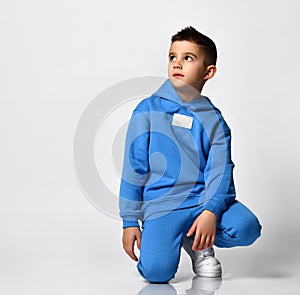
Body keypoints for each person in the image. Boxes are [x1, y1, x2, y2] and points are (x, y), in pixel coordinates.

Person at [119, 26, 262, 283]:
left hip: (201, 200)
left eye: (188, 58)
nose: (177, 63)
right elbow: (134, 167)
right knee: (156, 273)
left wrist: (210, 211)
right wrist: (130, 221)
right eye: (173, 56)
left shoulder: (215, 120)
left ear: (208, 72)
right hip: (162, 205)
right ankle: (178, 235)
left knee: (247, 227)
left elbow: (220, 170)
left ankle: (196, 241)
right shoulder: (147, 110)